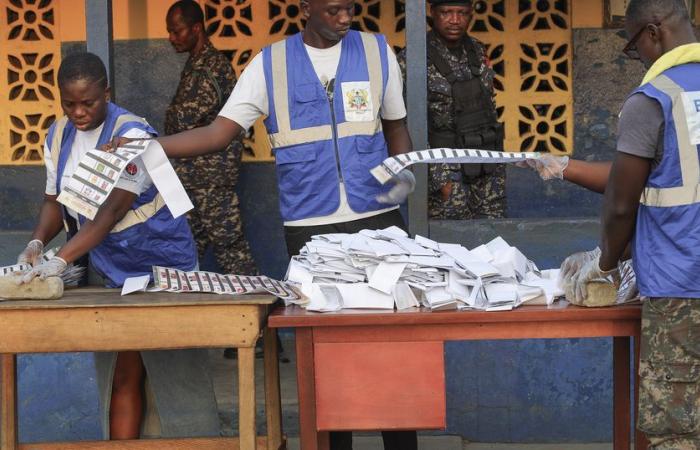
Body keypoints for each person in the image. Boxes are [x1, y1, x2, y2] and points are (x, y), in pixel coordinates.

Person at [107, 1, 418, 448]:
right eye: (333, 10)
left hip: (380, 222)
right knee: (326, 359)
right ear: (307, 8)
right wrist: (151, 146)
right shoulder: (269, 64)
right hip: (312, 229)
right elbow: (218, 133)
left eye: (349, 8)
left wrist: (401, 171)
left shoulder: (376, 51)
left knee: (389, 351)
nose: (345, 17)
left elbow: (397, 126)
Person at [17, 52, 219, 440]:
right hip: (110, 267)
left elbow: (108, 213)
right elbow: (55, 201)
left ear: (106, 93)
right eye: (69, 103)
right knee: (122, 368)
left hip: (162, 265)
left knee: (179, 374)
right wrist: (37, 242)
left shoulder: (133, 134)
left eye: (88, 102)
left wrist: (59, 260)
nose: (78, 112)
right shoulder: (58, 135)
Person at [561, 0, 700, 446]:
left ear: (653, 33)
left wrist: (604, 262)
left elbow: (622, 203)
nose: (636, 56)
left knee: (676, 427)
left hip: (680, 288)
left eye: (633, 44)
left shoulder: (653, 98)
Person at [165, 0, 259, 361]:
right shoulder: (196, 65)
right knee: (186, 249)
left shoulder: (212, 68)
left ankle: (260, 332)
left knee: (232, 250)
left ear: (196, 28)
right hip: (194, 179)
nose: (172, 37)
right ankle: (185, 332)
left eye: (177, 30)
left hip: (211, 180)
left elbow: (190, 124)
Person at [397, 0, 505, 220]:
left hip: (486, 164)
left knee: (494, 238)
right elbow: (407, 124)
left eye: (462, 13)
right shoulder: (414, 58)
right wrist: (437, 179)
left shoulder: (477, 49)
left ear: (471, 14)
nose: (455, 20)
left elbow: (489, 107)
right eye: (447, 12)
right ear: (432, 12)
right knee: (450, 241)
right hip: (445, 167)